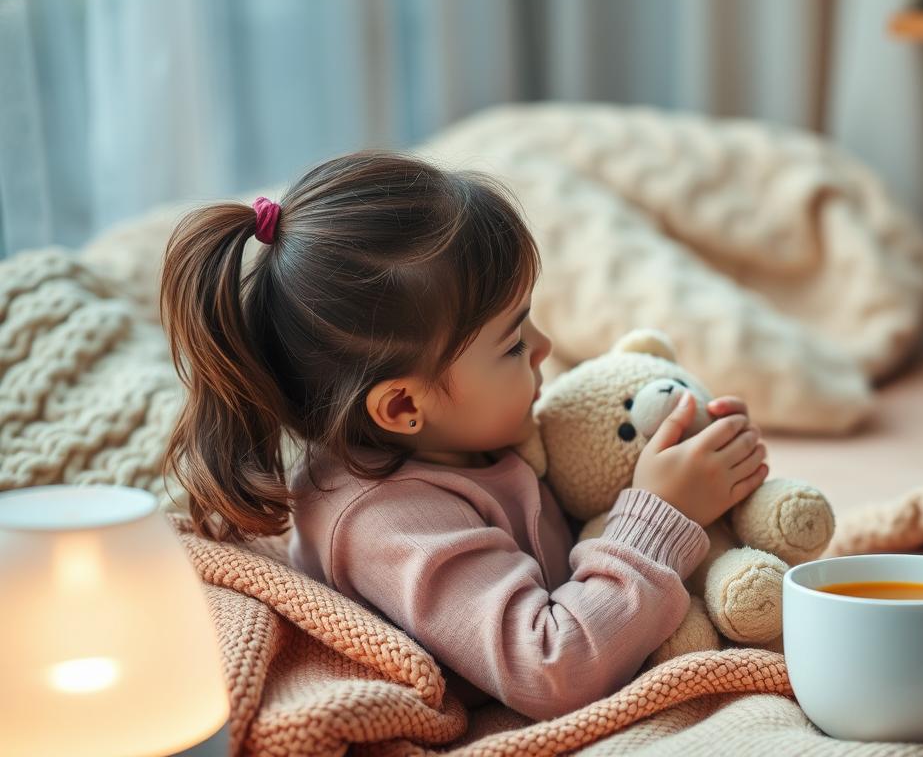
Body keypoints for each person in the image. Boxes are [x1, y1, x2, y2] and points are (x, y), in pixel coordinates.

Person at [158, 151, 768, 720]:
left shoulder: (464, 434)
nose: (545, 349)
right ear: (402, 406)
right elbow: (551, 668)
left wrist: (679, 451)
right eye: (512, 344)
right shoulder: (386, 521)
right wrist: (660, 517)